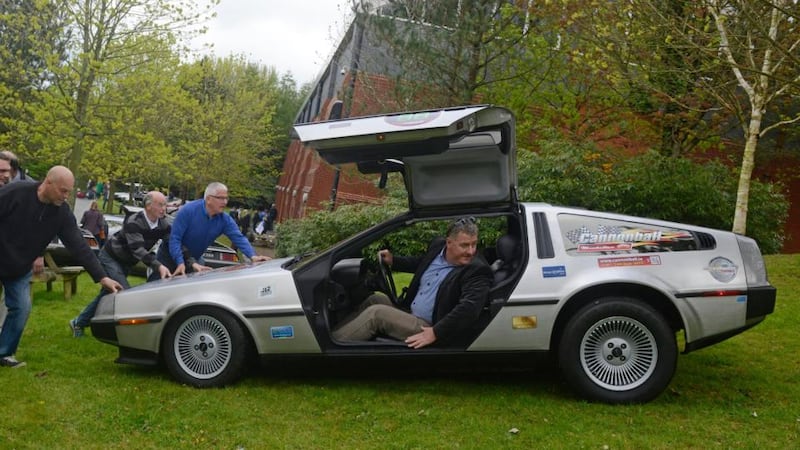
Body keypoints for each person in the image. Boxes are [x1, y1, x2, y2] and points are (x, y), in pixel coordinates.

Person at [0, 166, 122, 367]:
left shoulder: (62, 213)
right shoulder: (15, 193)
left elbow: (78, 245)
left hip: (19, 267)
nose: (66, 196)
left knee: (21, 308)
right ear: (48, 183)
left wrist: (102, 277)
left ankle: (4, 353)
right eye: (63, 190)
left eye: (69, 192)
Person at [332, 217, 493, 349]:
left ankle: (329, 348)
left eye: (474, 244)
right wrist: (394, 261)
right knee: (374, 299)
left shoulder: (477, 270)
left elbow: (469, 309)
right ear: (448, 242)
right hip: (410, 311)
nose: (471, 251)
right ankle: (333, 335)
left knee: (377, 314)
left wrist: (435, 332)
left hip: (429, 326)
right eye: (465, 245)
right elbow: (422, 263)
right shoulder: (438, 247)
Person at [69, 191, 175, 337]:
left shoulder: (163, 224)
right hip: (110, 257)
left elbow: (174, 243)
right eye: (160, 204)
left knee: (108, 292)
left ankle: (79, 322)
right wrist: (159, 266)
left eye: (165, 204)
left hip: (126, 263)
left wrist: (189, 262)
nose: (164, 208)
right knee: (124, 292)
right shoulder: (134, 221)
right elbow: (137, 249)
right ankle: (128, 334)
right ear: (148, 206)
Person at [152, 182, 269, 279]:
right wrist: (180, 262)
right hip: (168, 259)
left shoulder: (225, 220)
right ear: (208, 199)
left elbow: (239, 238)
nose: (225, 202)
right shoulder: (188, 211)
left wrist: (253, 256)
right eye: (221, 198)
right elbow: (175, 239)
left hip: (193, 262)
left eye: (226, 198)